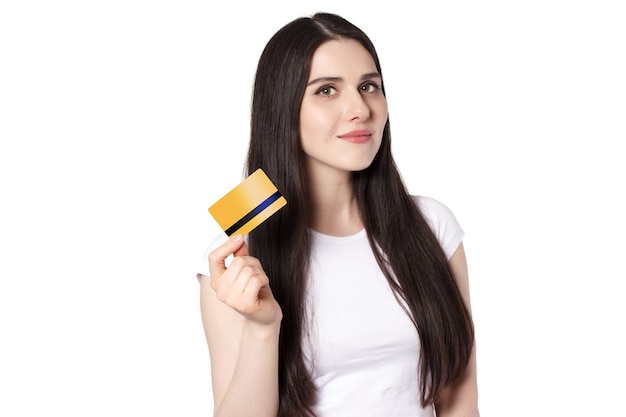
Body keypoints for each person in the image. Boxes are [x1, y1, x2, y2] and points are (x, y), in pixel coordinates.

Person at [197, 12, 479, 417]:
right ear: (284, 109)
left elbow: (460, 402)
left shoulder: (432, 225)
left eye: (369, 86)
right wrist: (262, 328)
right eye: (327, 90)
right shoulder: (238, 260)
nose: (359, 108)